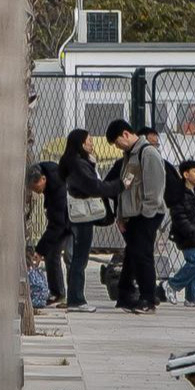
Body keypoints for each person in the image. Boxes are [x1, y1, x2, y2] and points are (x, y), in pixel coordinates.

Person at [57, 129, 127, 313]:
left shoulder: (73, 163)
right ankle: (77, 300)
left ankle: (75, 298)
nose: (91, 144)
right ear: (81, 144)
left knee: (78, 258)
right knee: (80, 258)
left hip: (78, 215)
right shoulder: (79, 165)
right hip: (83, 216)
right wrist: (120, 185)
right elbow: (94, 186)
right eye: (88, 141)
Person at [106, 119, 165, 315]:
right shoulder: (129, 156)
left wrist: (147, 214)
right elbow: (125, 186)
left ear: (125, 134)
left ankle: (148, 298)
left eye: (117, 142)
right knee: (134, 254)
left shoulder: (147, 153)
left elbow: (155, 188)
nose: (117, 147)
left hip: (147, 214)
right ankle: (127, 292)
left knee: (143, 256)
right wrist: (121, 215)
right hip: (133, 215)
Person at [162, 160, 195, 307]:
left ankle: (193, 297)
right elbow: (178, 217)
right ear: (185, 174)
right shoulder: (179, 195)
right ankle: (172, 285)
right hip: (187, 236)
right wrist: (190, 230)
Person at [26, 162, 70, 307]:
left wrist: (39, 251)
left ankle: (72, 296)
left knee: (67, 256)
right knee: (52, 254)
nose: (35, 191)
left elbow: (57, 225)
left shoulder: (58, 188)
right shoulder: (47, 174)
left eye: (36, 187)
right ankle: (57, 292)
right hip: (62, 220)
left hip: (72, 220)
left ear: (43, 179)